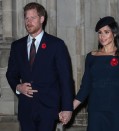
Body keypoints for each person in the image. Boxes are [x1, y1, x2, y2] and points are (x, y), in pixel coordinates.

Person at [6, 2, 73, 131]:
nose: (28, 22)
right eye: (26, 18)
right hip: (25, 109)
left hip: (48, 108)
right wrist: (18, 86)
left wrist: (67, 108)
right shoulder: (17, 46)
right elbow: (11, 74)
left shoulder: (56, 45)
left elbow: (65, 79)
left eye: (33, 18)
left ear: (42, 19)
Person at [72, 16, 119, 131]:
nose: (102, 36)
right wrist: (69, 109)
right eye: (100, 33)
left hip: (118, 111)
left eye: (106, 32)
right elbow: (85, 88)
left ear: (114, 33)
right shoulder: (91, 57)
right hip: (96, 111)